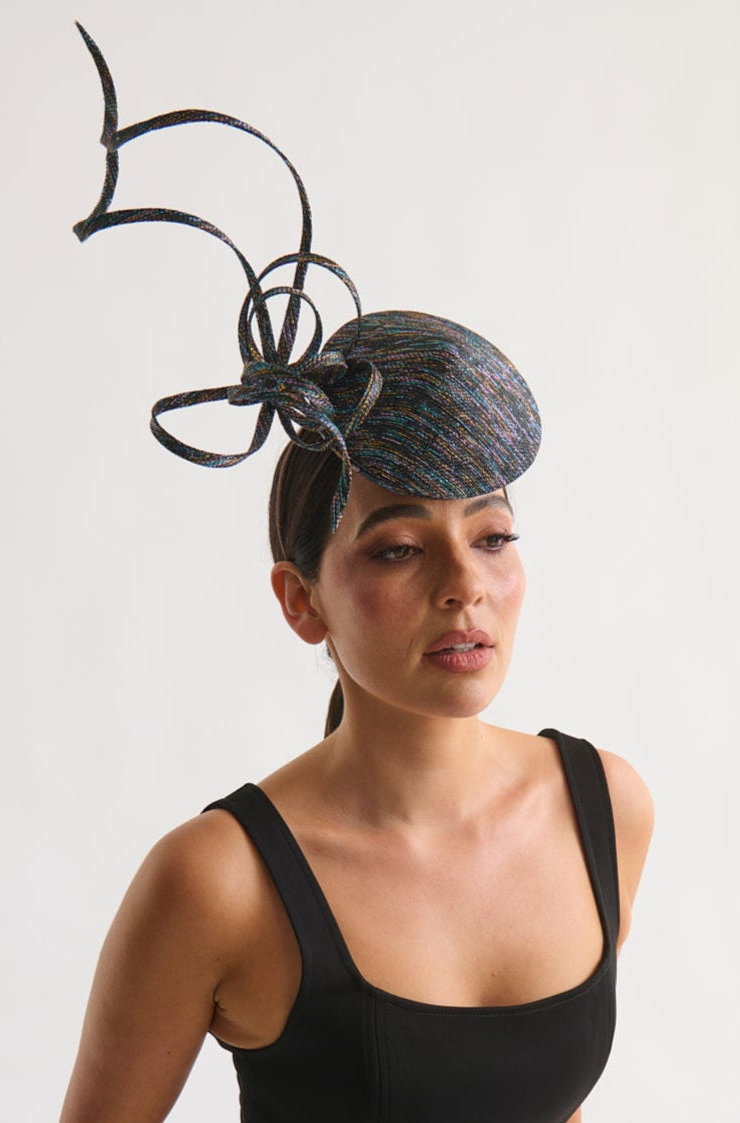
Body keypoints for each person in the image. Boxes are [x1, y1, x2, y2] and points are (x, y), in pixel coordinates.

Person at [60, 27, 654, 1123]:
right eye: (395, 545)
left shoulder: (603, 808)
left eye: (492, 535)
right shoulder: (216, 880)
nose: (462, 583)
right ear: (300, 601)